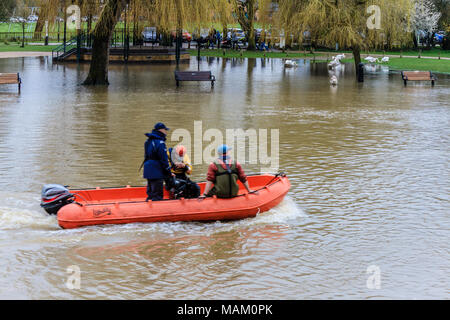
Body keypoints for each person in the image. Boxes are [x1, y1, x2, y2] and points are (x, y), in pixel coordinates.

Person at [143, 122, 173, 201]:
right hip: (156, 170)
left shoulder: (148, 141)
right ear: (161, 130)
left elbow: (146, 155)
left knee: (150, 192)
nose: (166, 132)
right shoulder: (160, 143)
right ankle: (156, 207)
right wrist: (168, 171)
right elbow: (164, 159)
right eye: (165, 130)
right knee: (157, 194)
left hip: (148, 168)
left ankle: (149, 205)